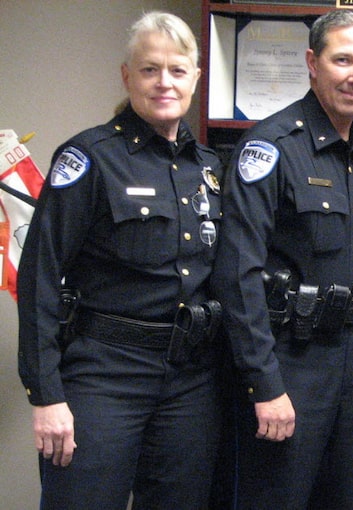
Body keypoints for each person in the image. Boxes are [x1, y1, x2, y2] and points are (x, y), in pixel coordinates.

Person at [17, 11, 223, 509]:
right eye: (150, 69)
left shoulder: (210, 170)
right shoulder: (89, 157)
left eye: (177, 70)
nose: (164, 82)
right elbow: (39, 276)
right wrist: (45, 394)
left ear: (196, 77)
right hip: (105, 374)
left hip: (191, 379)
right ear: (127, 76)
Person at [211, 9, 353, 509]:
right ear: (313, 62)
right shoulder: (270, 146)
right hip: (291, 366)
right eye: (343, 60)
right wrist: (264, 383)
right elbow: (237, 273)